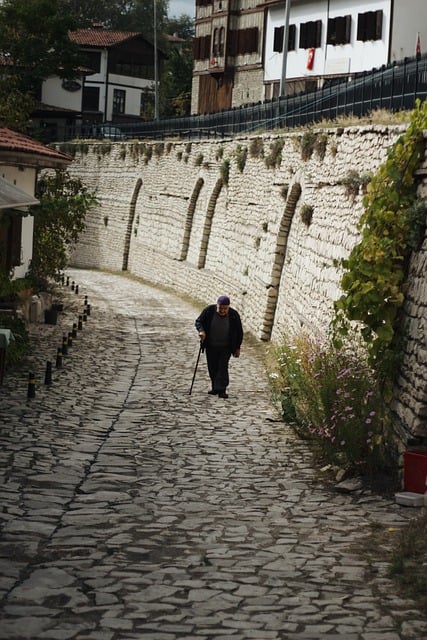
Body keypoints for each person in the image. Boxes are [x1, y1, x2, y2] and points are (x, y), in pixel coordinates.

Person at [195, 295, 243, 398]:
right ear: (217, 305)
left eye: (225, 308)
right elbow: (198, 322)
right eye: (220, 308)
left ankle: (222, 390)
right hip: (211, 345)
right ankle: (215, 388)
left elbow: (239, 332)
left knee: (222, 366)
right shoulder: (209, 311)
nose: (222, 310)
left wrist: (237, 347)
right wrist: (201, 331)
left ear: (228, 307)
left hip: (226, 346)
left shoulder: (233, 315)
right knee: (212, 367)